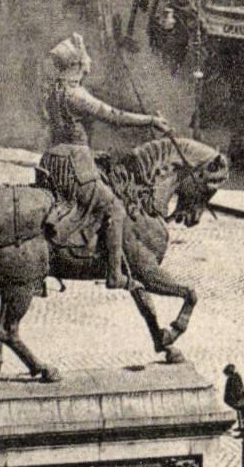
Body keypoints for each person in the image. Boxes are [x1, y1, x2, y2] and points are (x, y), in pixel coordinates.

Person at [38, 33, 169, 290]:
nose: (89, 64)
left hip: (51, 160)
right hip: (74, 163)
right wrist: (151, 121)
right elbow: (114, 116)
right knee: (115, 208)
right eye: (85, 60)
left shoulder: (54, 92)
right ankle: (114, 274)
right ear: (76, 65)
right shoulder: (76, 95)